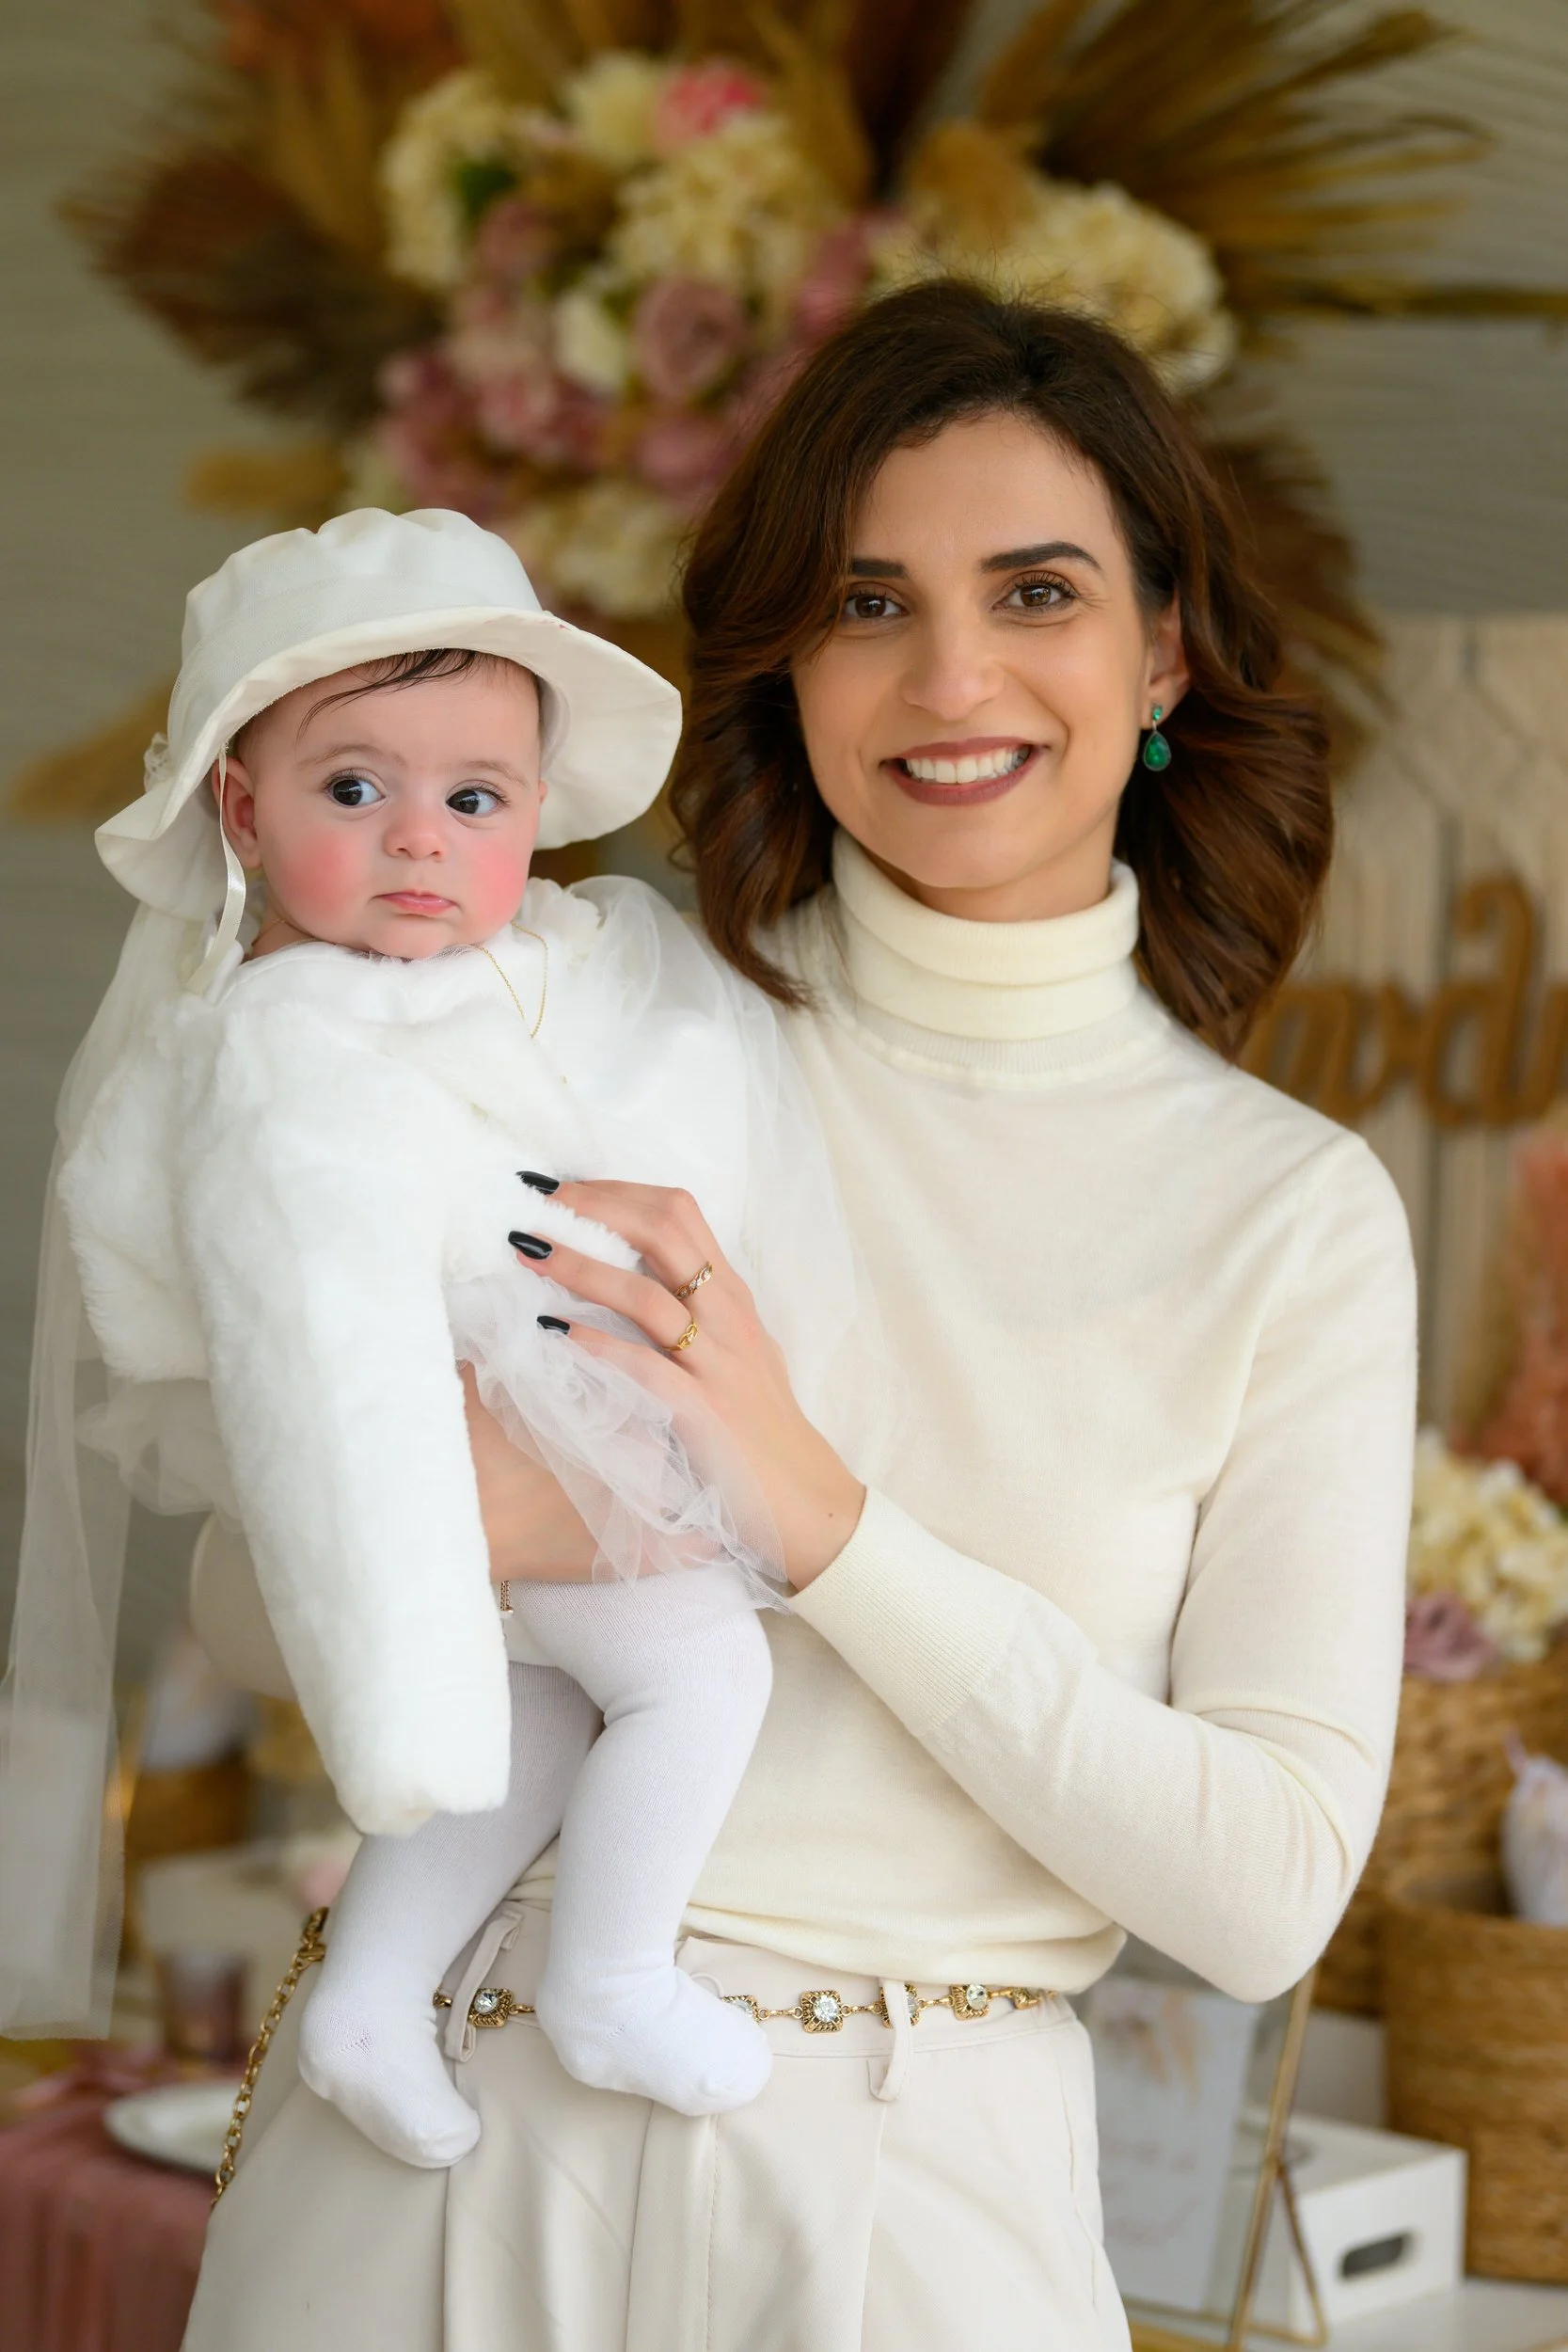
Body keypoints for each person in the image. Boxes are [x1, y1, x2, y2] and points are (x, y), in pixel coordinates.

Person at [178, 282, 1417, 2352]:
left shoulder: (1284, 1213)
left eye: (1034, 589)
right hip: (426, 2153)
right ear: (786, 654)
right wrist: (464, 1511)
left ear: (1162, 645)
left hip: (909, 2200)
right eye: (863, 601)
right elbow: (232, 1592)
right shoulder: (587, 1006)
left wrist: (819, 1514)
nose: (950, 674)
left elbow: (1263, 1889)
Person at [8, 508, 862, 2167]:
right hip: (458, 1428)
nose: (419, 838)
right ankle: (611, 1976)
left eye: (472, 799)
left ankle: (365, 1992)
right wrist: (389, 1699)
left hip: (552, 1404)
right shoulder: (278, 1040)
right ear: (242, 814)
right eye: (354, 789)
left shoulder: (549, 959)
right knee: (698, 1671)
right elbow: (322, 1351)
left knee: (541, 1716)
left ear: (534, 819)